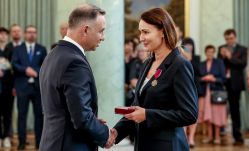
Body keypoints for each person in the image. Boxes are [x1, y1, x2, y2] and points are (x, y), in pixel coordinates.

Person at [110, 8, 198, 151]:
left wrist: (147, 115)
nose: (140, 38)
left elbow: (189, 114)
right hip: (144, 145)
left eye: (146, 32)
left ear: (162, 31)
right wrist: (116, 132)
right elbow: (136, 108)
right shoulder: (147, 63)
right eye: (140, 32)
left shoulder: (180, 65)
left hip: (168, 146)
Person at [39, 4, 115, 151]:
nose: (103, 37)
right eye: (101, 31)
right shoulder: (74, 62)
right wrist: (105, 134)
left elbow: (64, 108)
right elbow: (81, 117)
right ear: (85, 30)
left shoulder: (53, 54)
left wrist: (92, 121)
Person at [12, 25, 47, 150]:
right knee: (22, 115)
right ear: (25, 34)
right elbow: (14, 64)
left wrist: (35, 71)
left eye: (34, 32)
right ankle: (22, 142)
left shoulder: (41, 49)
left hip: (38, 88)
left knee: (39, 116)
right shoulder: (17, 49)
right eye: (29, 32)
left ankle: (39, 142)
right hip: (22, 87)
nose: (31, 34)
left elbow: (45, 65)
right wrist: (26, 69)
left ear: (36, 34)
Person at [218, 29, 247, 145]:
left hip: (235, 83)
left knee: (235, 110)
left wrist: (229, 57)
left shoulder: (242, 49)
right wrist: (223, 57)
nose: (228, 41)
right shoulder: (221, 48)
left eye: (230, 38)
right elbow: (218, 64)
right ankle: (219, 132)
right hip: (222, 83)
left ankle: (237, 134)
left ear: (235, 37)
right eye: (226, 39)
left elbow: (242, 64)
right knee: (221, 108)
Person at [199, 45, 226, 144]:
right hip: (205, 93)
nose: (209, 53)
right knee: (207, 115)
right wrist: (204, 78)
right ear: (205, 53)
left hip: (216, 92)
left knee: (217, 115)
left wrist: (214, 79)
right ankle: (209, 136)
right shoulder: (201, 64)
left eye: (211, 52)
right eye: (208, 52)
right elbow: (196, 78)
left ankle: (217, 137)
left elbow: (223, 79)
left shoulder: (219, 63)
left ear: (214, 52)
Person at [181, 37, 202, 148]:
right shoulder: (179, 58)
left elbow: (198, 72)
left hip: (194, 88)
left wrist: (189, 60)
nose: (189, 46)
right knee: (183, 112)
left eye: (190, 44)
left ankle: (192, 138)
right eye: (186, 44)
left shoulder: (197, 58)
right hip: (182, 88)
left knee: (194, 113)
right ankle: (184, 136)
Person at [0, 27, 13, 148]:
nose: (2, 36)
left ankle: (6, 137)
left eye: (4, 34)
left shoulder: (12, 49)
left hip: (8, 87)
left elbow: (14, 67)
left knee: (7, 113)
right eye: (0, 34)